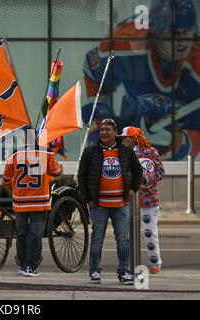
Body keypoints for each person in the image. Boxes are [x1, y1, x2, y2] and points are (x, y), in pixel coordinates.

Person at [83, 0, 200, 160]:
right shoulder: (127, 42)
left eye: (187, 31)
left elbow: (196, 128)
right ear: (155, 30)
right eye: (173, 32)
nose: (182, 40)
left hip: (180, 124)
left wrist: (184, 145)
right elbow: (92, 68)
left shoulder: (197, 60)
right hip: (132, 117)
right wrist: (101, 119)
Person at [78, 119, 142, 285]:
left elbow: (137, 171)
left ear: (115, 132)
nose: (104, 133)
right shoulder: (91, 151)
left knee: (123, 240)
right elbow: (82, 177)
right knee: (97, 239)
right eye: (102, 130)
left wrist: (133, 190)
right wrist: (88, 200)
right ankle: (94, 272)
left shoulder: (126, 151)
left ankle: (124, 272)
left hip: (121, 205)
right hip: (98, 205)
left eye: (108, 130)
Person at [2, 133, 62, 277]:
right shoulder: (47, 153)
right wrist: (59, 168)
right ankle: (30, 266)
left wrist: (15, 187)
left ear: (23, 140)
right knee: (36, 235)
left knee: (22, 234)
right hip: (39, 201)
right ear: (36, 139)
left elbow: (6, 179)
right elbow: (55, 171)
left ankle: (23, 264)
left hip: (20, 201)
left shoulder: (14, 155)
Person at [120, 126, 165, 274]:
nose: (123, 140)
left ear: (134, 138)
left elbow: (160, 172)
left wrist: (145, 180)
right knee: (124, 234)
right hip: (127, 199)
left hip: (148, 199)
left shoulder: (151, 153)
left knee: (149, 232)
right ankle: (126, 265)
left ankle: (155, 263)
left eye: (126, 137)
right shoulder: (122, 153)